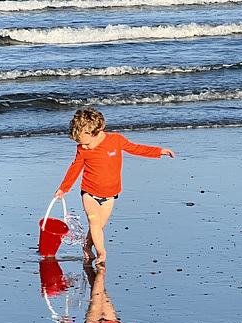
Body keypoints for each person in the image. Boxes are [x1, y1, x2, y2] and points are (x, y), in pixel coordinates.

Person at [55, 108, 175, 266]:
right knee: (94, 221)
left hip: (110, 195)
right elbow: (75, 169)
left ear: (98, 132)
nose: (83, 147)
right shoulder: (82, 150)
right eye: (80, 144)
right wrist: (63, 188)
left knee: (98, 227)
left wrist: (159, 151)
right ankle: (101, 252)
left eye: (86, 143)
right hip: (89, 192)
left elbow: (136, 148)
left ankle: (87, 247)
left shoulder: (116, 140)